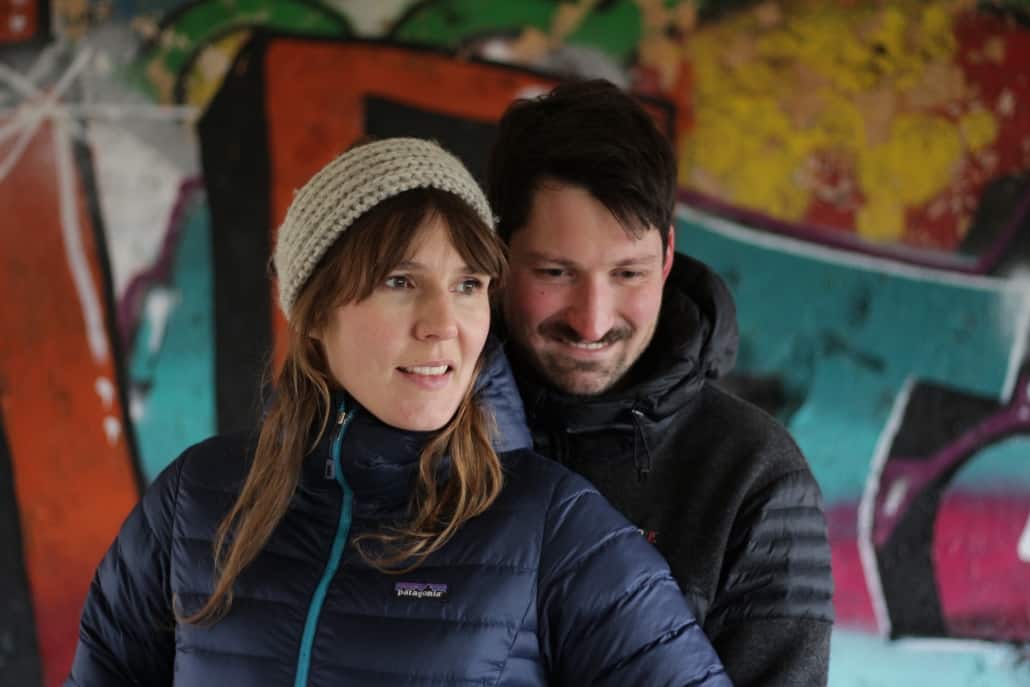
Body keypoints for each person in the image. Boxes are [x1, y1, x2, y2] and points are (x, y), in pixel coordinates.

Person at [66, 138, 731, 686]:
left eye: (468, 285)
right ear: (317, 312)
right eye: (401, 282)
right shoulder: (196, 500)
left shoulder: (552, 527)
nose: (444, 324)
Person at [488, 80, 834, 687]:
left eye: (628, 273)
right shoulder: (424, 433)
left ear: (668, 256)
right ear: (497, 255)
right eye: (555, 272)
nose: (592, 319)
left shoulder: (755, 477)